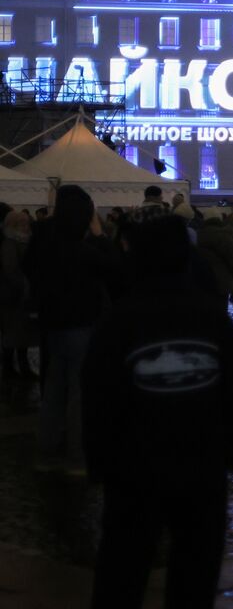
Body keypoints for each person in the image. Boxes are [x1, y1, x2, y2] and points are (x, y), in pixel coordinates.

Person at [82, 215, 233, 609]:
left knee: (122, 572)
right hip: (201, 466)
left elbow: (98, 393)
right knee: (195, 573)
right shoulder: (211, 317)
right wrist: (229, 452)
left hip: (133, 470)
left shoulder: (120, 319)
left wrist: (101, 462)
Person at [25, 184, 119, 470]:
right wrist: (101, 236)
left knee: (54, 387)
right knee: (79, 392)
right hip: (82, 323)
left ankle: (47, 449)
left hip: (53, 322)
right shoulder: (85, 251)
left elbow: (28, 267)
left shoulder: (45, 243)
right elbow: (115, 270)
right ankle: (77, 456)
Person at [0, 210, 38, 379]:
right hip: (13, 296)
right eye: (22, 223)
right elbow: (10, 269)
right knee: (12, 333)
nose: (25, 226)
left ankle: (23, 366)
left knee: (23, 334)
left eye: (26, 223)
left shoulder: (25, 241)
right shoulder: (10, 243)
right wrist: (24, 285)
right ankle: (9, 367)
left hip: (23, 296)